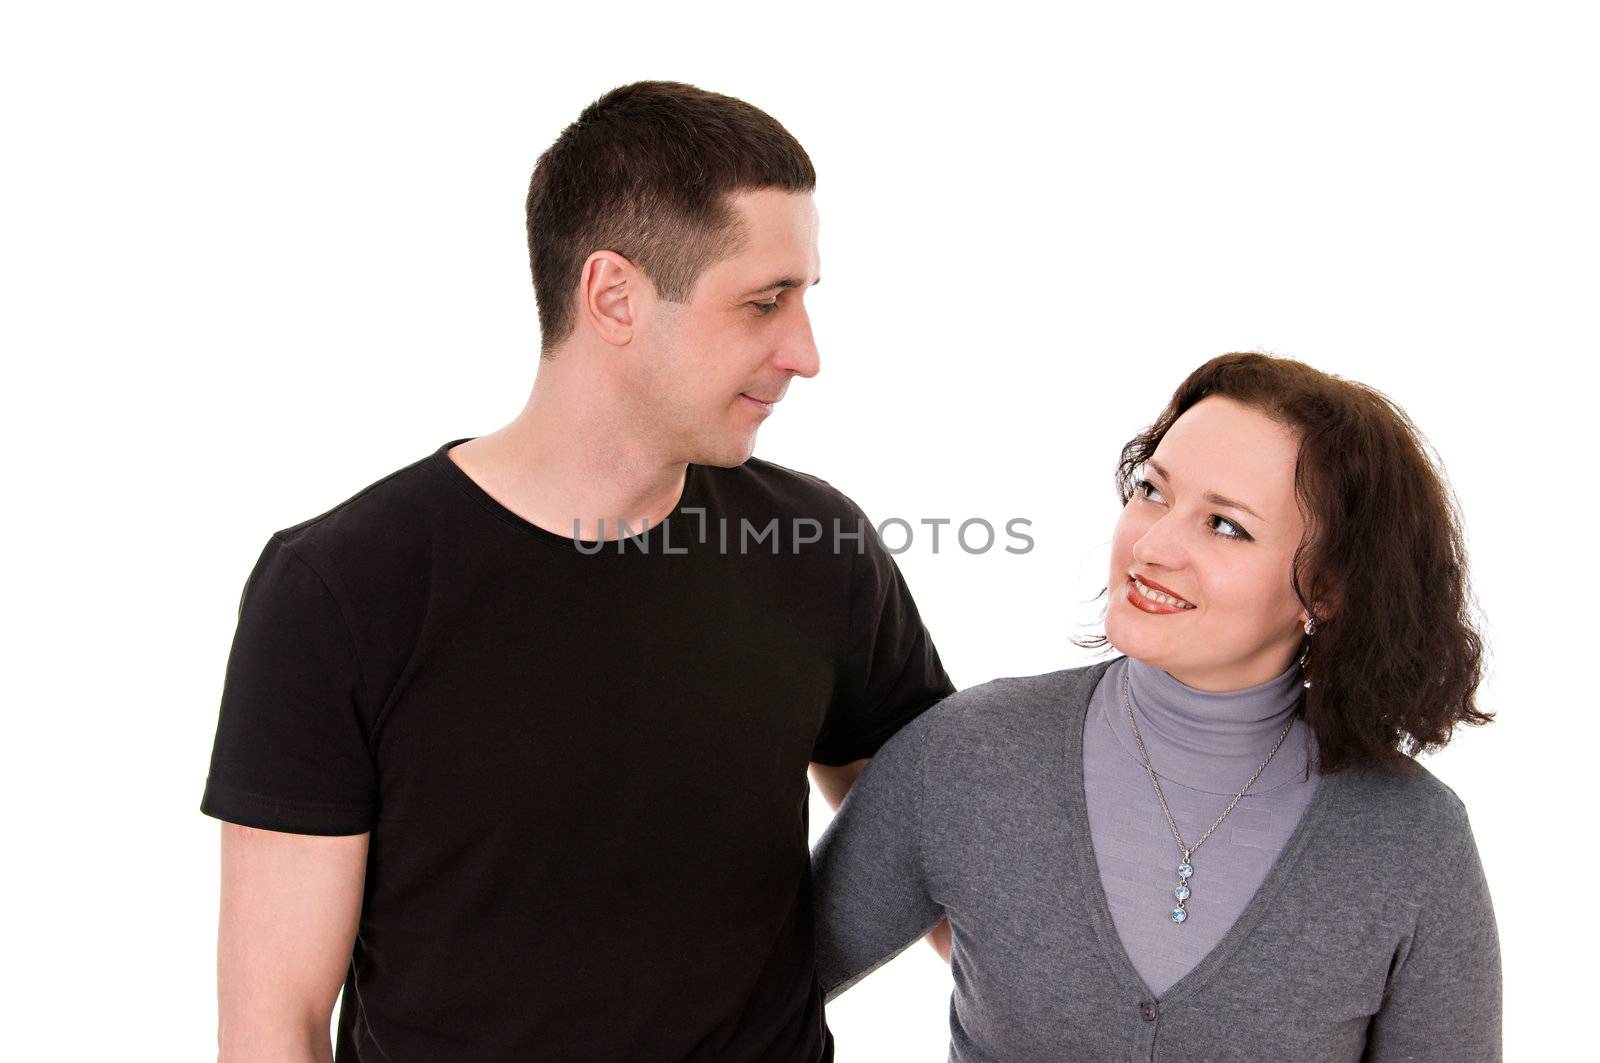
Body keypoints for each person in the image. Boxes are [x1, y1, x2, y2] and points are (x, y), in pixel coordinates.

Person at [201, 81, 953, 1061]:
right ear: (613, 296)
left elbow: (952, 848)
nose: (804, 352)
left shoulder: (816, 545)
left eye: (805, 297)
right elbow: (273, 1023)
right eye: (765, 302)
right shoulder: (341, 588)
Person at [811, 353, 1500, 1061]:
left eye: (1225, 525)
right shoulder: (966, 753)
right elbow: (744, 1006)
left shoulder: (1414, 843)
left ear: (1326, 590)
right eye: (1153, 490)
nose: (1152, 543)